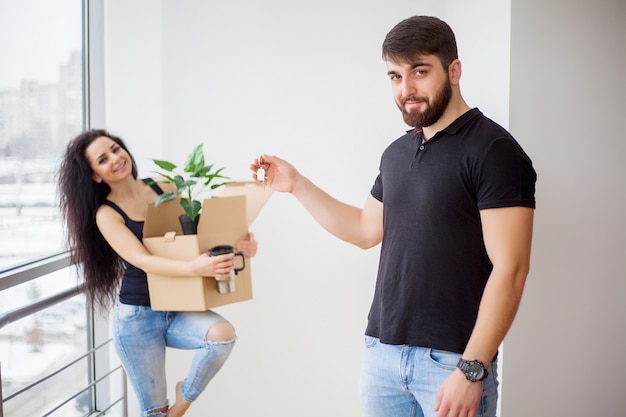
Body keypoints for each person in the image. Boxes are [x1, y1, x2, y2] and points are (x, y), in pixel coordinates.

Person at [250, 15, 536, 417]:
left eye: (420, 72)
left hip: (452, 361)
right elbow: (365, 230)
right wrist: (297, 184)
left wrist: (472, 369)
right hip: (382, 354)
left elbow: (512, 267)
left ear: (453, 70)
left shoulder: (493, 150)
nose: (407, 89)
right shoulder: (397, 153)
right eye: (395, 76)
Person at [58, 129, 257, 417]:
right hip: (138, 319)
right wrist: (193, 268)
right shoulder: (107, 214)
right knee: (154, 412)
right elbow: (142, 260)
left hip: (177, 306)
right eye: (103, 159)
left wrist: (240, 245)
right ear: (95, 176)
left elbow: (196, 234)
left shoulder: (163, 186)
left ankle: (181, 404)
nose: (116, 158)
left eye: (115, 149)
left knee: (222, 336)